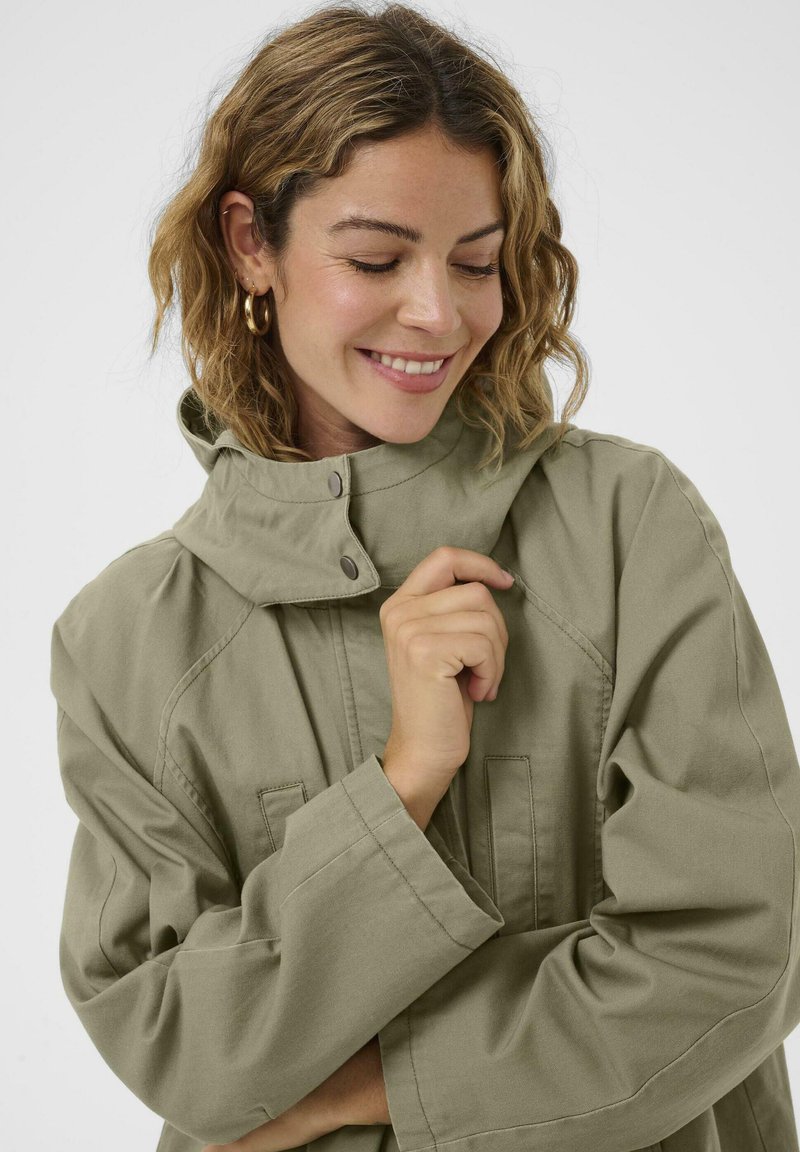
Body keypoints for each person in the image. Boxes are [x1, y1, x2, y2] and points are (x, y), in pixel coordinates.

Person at [49, 3, 800, 1151]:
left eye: (475, 262)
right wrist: (403, 781)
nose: (436, 313)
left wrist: (366, 1092)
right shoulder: (125, 638)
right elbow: (179, 1045)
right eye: (374, 259)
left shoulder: (625, 524)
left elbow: (739, 954)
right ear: (250, 243)